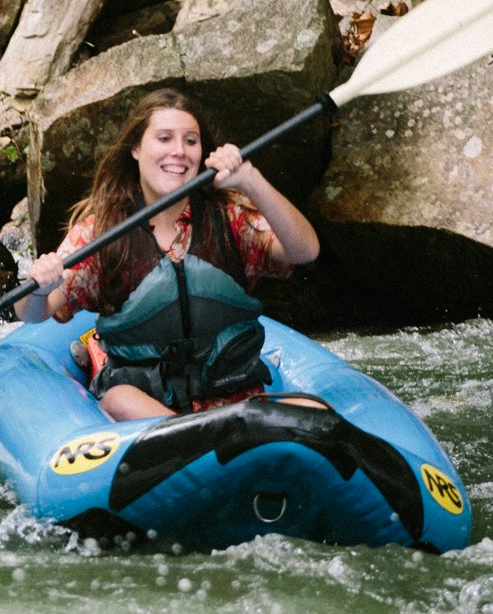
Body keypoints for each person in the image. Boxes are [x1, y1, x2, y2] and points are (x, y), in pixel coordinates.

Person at [21, 87, 324, 421]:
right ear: (135, 148)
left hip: (234, 400)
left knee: (313, 411)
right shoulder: (103, 232)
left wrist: (251, 180)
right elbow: (34, 313)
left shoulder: (230, 218)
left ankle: (222, 439)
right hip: (150, 413)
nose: (179, 151)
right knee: (120, 400)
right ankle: (196, 439)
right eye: (164, 139)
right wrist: (39, 288)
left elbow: (304, 251)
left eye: (190, 141)